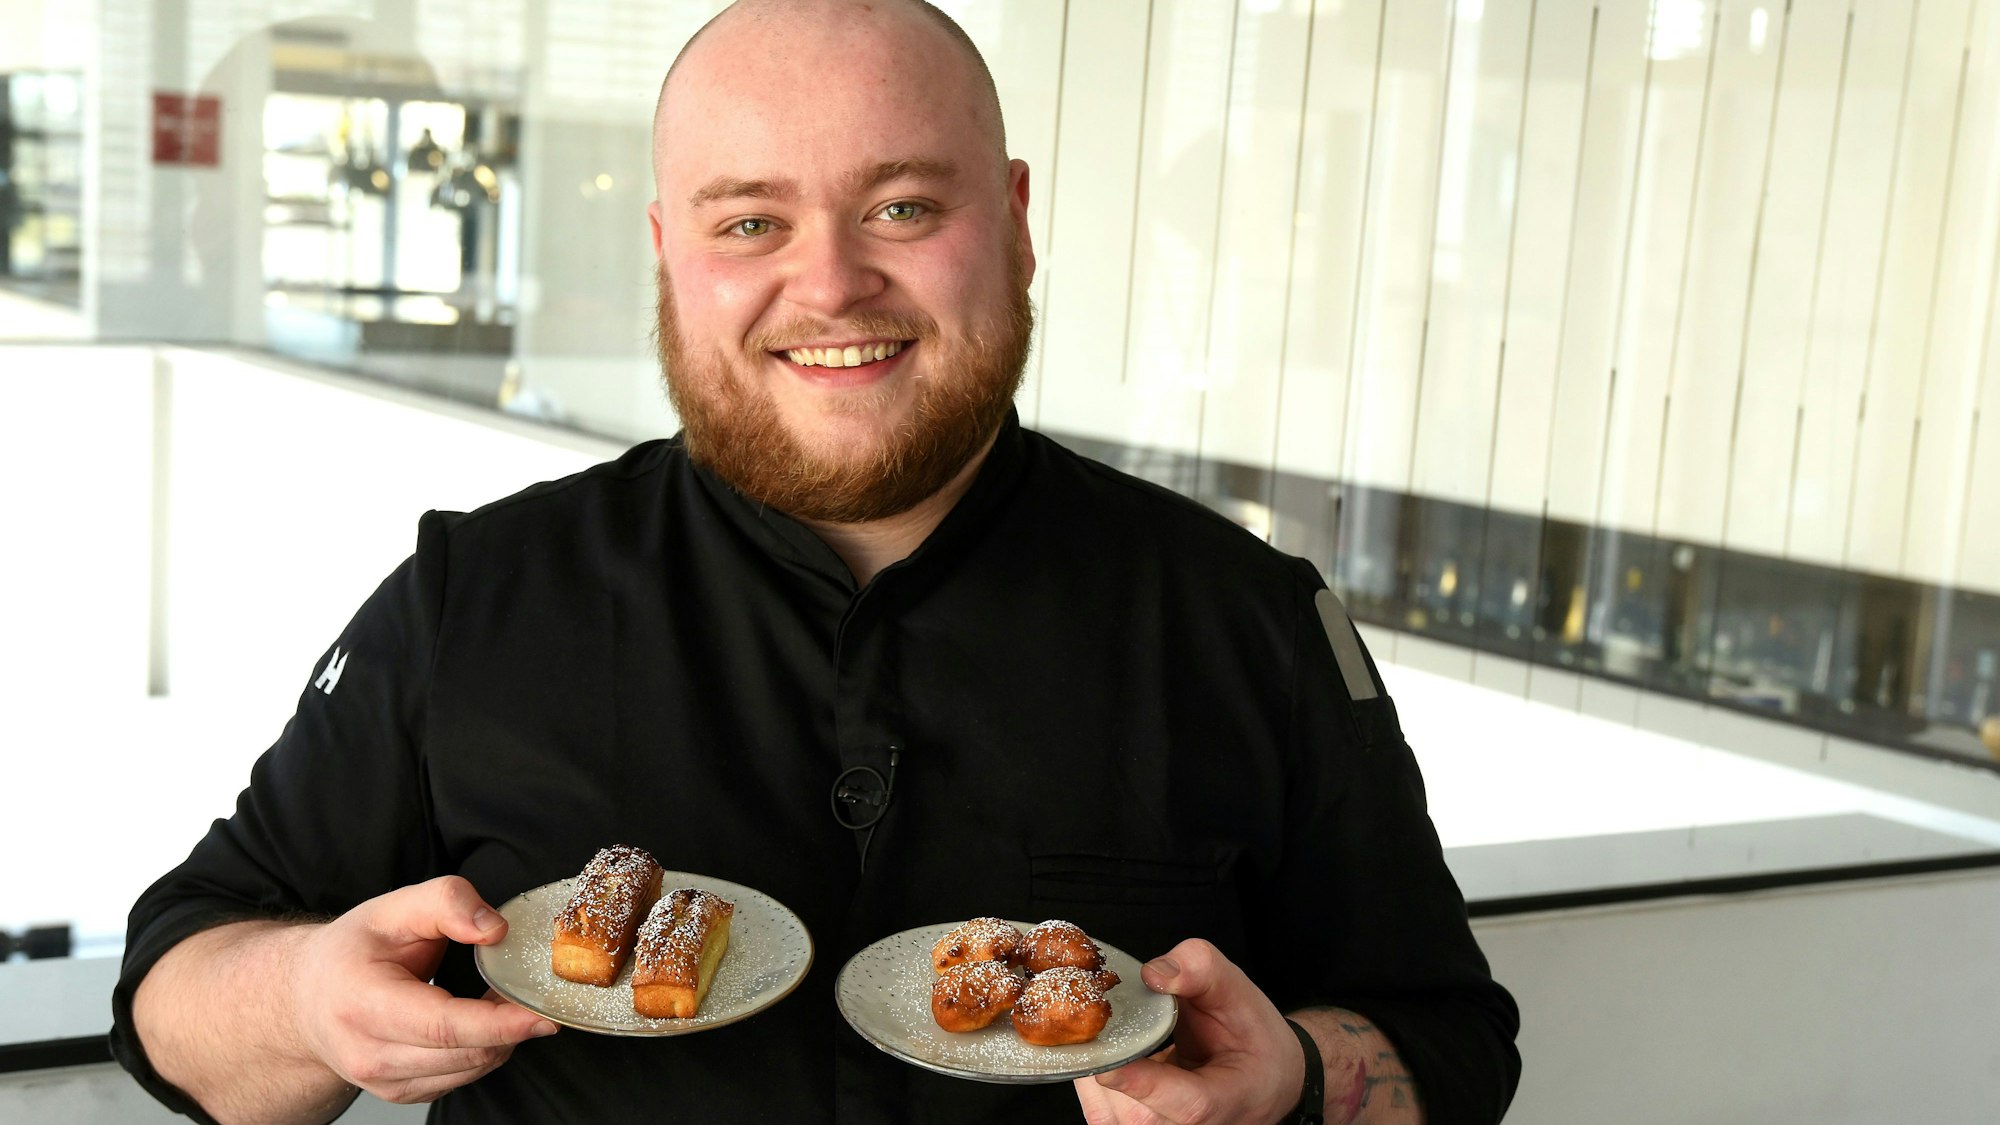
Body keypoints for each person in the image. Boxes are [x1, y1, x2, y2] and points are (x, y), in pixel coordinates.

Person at [110, 2, 1521, 1122]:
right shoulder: (474, 596)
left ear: (1016, 222)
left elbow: (1453, 1047)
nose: (834, 283)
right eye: (750, 222)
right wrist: (305, 1000)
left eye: (904, 207)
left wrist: (1293, 1078)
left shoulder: (1249, 617)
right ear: (669, 252)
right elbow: (174, 998)